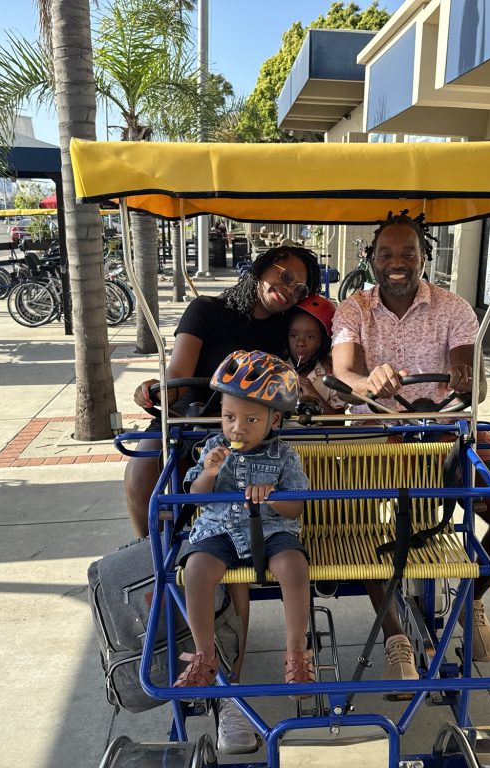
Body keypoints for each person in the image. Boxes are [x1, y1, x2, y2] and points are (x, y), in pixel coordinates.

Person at [124, 245, 320, 753]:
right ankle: (157, 559)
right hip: (199, 427)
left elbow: (304, 367)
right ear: (259, 269)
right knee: (143, 468)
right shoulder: (208, 311)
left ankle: (236, 681)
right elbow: (177, 379)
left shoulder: (285, 330)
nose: (289, 289)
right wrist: (160, 395)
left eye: (300, 286)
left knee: (251, 571)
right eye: (283, 275)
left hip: (257, 459)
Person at [331, 211, 490, 680]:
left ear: (425, 258)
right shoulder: (354, 309)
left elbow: (472, 381)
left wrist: (466, 379)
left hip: (444, 431)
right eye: (387, 253)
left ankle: (473, 597)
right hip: (375, 435)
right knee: (358, 530)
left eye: (408, 253)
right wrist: (369, 382)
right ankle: (395, 636)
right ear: (371, 259)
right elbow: (344, 373)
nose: (397, 262)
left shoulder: (454, 308)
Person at [177, 350, 315, 694]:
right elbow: (195, 496)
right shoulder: (212, 447)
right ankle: (204, 655)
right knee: (195, 571)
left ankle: (296, 652)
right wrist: (209, 472)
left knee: (294, 566)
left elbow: (296, 507)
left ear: (275, 421)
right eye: (229, 417)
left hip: (271, 531)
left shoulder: (284, 455)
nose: (238, 427)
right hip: (219, 530)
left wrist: (274, 497)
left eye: (251, 420)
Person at [287, 294, 344, 415]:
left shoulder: (331, 375)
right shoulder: (276, 371)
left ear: (322, 343)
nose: (300, 343)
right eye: (293, 336)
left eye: (310, 337)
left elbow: (339, 422)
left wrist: (312, 393)